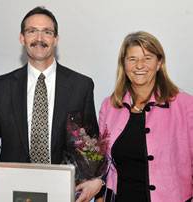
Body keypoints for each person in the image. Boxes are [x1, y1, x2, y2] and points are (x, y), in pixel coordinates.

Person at [0, 6, 99, 201]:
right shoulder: (0, 86)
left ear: (56, 39)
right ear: (22, 38)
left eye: (47, 32)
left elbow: (90, 144)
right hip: (11, 191)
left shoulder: (81, 86)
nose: (39, 38)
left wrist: (95, 179)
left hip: (64, 192)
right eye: (32, 31)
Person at [77, 31, 193, 202]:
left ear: (159, 62)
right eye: (132, 59)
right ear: (124, 64)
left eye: (147, 58)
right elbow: (102, 164)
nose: (140, 65)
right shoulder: (109, 106)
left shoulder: (185, 106)